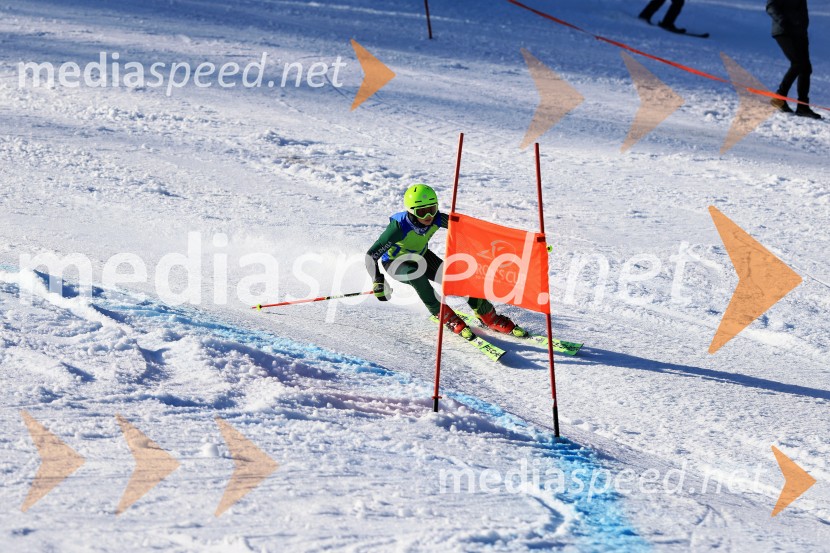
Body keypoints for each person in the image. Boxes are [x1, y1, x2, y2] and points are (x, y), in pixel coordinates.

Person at [365, 183, 526, 340]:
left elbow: (471, 228)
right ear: (411, 212)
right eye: (422, 212)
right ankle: (446, 316)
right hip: (396, 263)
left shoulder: (437, 219)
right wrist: (378, 280)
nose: (428, 216)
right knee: (416, 275)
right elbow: (371, 255)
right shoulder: (398, 228)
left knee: (458, 279)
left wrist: (517, 243)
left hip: (422, 256)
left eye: (432, 209)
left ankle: (489, 316)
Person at [766, 0, 822, 119]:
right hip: (784, 31)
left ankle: (803, 107)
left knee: (806, 68)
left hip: (800, 33)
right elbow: (771, 6)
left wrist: (803, 27)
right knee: (798, 64)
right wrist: (784, 21)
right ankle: (779, 97)